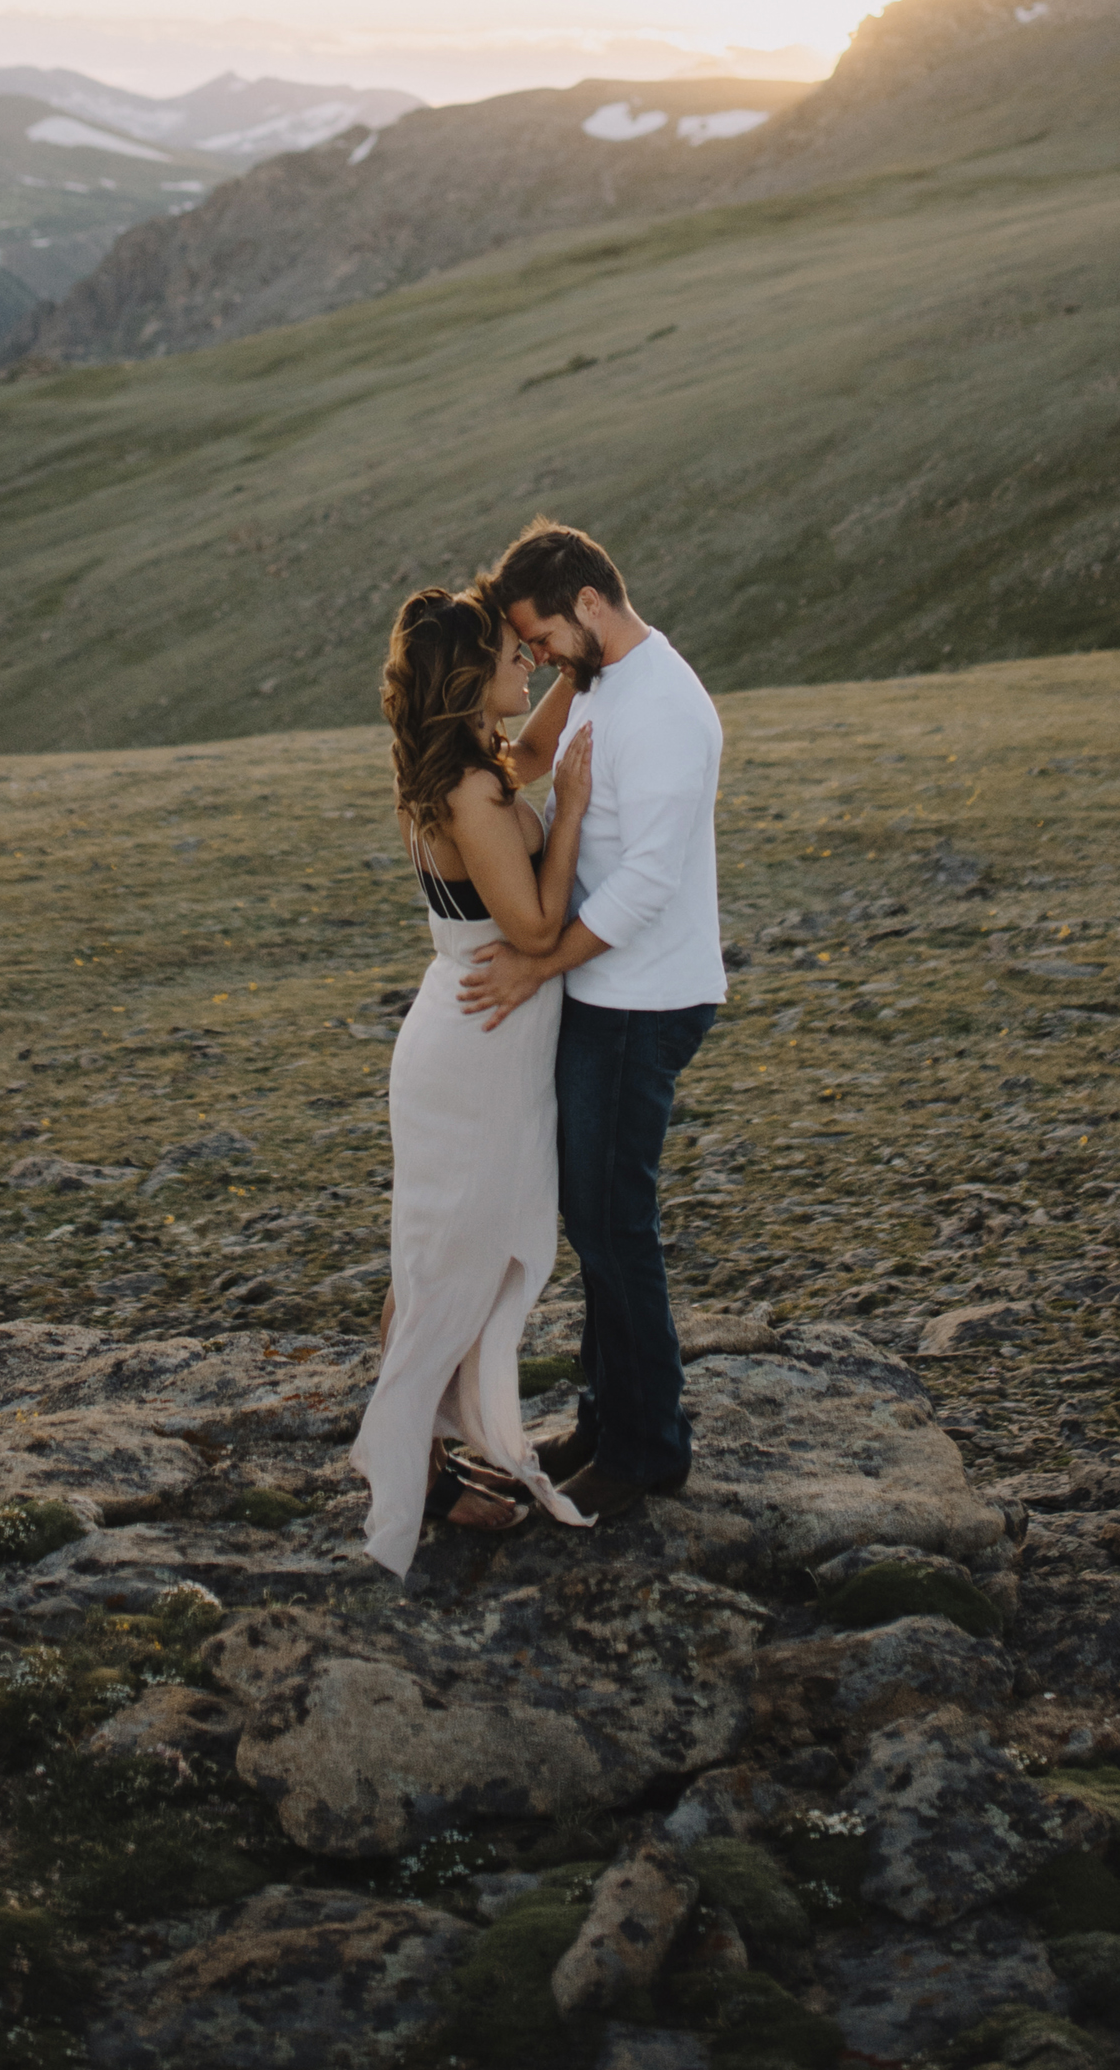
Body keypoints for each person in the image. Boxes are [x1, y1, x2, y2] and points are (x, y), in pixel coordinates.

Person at [460, 520, 724, 1518]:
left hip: (640, 997)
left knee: (614, 1224)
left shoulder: (665, 708)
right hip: (606, 990)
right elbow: (527, 761)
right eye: (523, 650)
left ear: (588, 604)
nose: (534, 659)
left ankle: (649, 1444)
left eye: (537, 639)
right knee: (595, 1216)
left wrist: (536, 968)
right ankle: (610, 1415)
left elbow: (648, 883)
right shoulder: (598, 678)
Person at [347, 585, 601, 1573]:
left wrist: (579, 663)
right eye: (510, 653)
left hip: (466, 1031)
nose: (524, 661)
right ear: (465, 676)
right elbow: (535, 930)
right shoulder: (469, 791)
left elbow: (526, 751)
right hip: (478, 1047)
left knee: (441, 1251)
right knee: (448, 1258)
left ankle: (430, 1452)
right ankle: (421, 1474)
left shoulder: (463, 766)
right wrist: (570, 814)